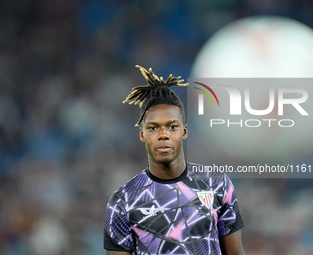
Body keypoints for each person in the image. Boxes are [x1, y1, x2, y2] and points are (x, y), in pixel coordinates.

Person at [104, 65, 245, 255]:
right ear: (142, 134)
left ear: (184, 131)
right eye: (153, 128)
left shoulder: (217, 184)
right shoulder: (123, 201)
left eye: (172, 127)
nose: (163, 135)